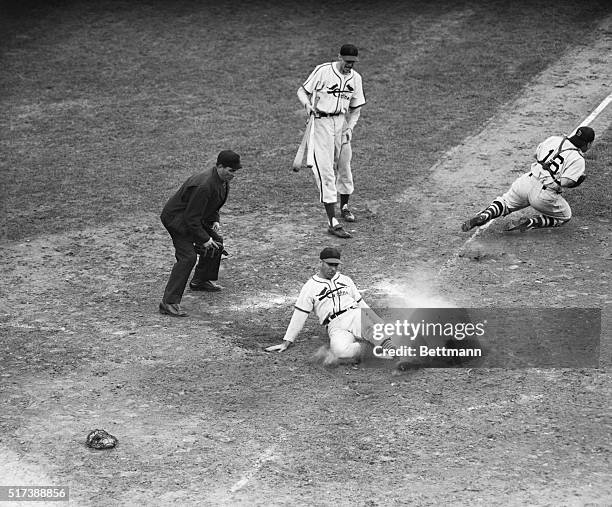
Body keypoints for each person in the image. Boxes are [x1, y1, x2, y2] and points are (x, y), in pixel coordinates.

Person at [265, 247, 394, 363]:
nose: (333, 269)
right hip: (334, 325)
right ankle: (369, 350)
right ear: (321, 262)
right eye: (329, 264)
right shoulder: (310, 287)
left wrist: (379, 322)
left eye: (336, 265)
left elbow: (362, 304)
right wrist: (287, 341)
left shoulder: (345, 280)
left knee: (373, 329)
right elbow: (299, 315)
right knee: (340, 352)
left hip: (353, 314)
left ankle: (399, 355)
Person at [461, 126, 595, 233]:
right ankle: (531, 222)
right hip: (544, 195)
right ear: (587, 144)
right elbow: (565, 182)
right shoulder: (578, 159)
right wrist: (576, 181)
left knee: (506, 202)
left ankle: (485, 215)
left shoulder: (554, 139)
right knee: (565, 217)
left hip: (526, 181)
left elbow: (536, 155)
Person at [158, 150, 241, 317]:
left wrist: (214, 220)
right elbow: (191, 218)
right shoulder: (204, 185)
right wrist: (204, 239)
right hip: (177, 221)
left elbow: (213, 203)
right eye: (231, 170)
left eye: (235, 171)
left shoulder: (220, 179)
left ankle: (200, 280)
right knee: (187, 257)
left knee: (216, 242)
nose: (233, 175)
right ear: (220, 166)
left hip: (192, 217)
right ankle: (169, 303)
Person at [297, 44, 366, 239]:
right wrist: (307, 105)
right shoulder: (323, 71)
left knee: (344, 166)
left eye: (353, 63)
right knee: (325, 171)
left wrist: (350, 129)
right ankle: (332, 221)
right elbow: (302, 91)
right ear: (339, 57)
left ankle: (344, 205)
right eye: (346, 62)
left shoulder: (356, 78)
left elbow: (356, 109)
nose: (349, 66)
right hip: (320, 124)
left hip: (341, 123)